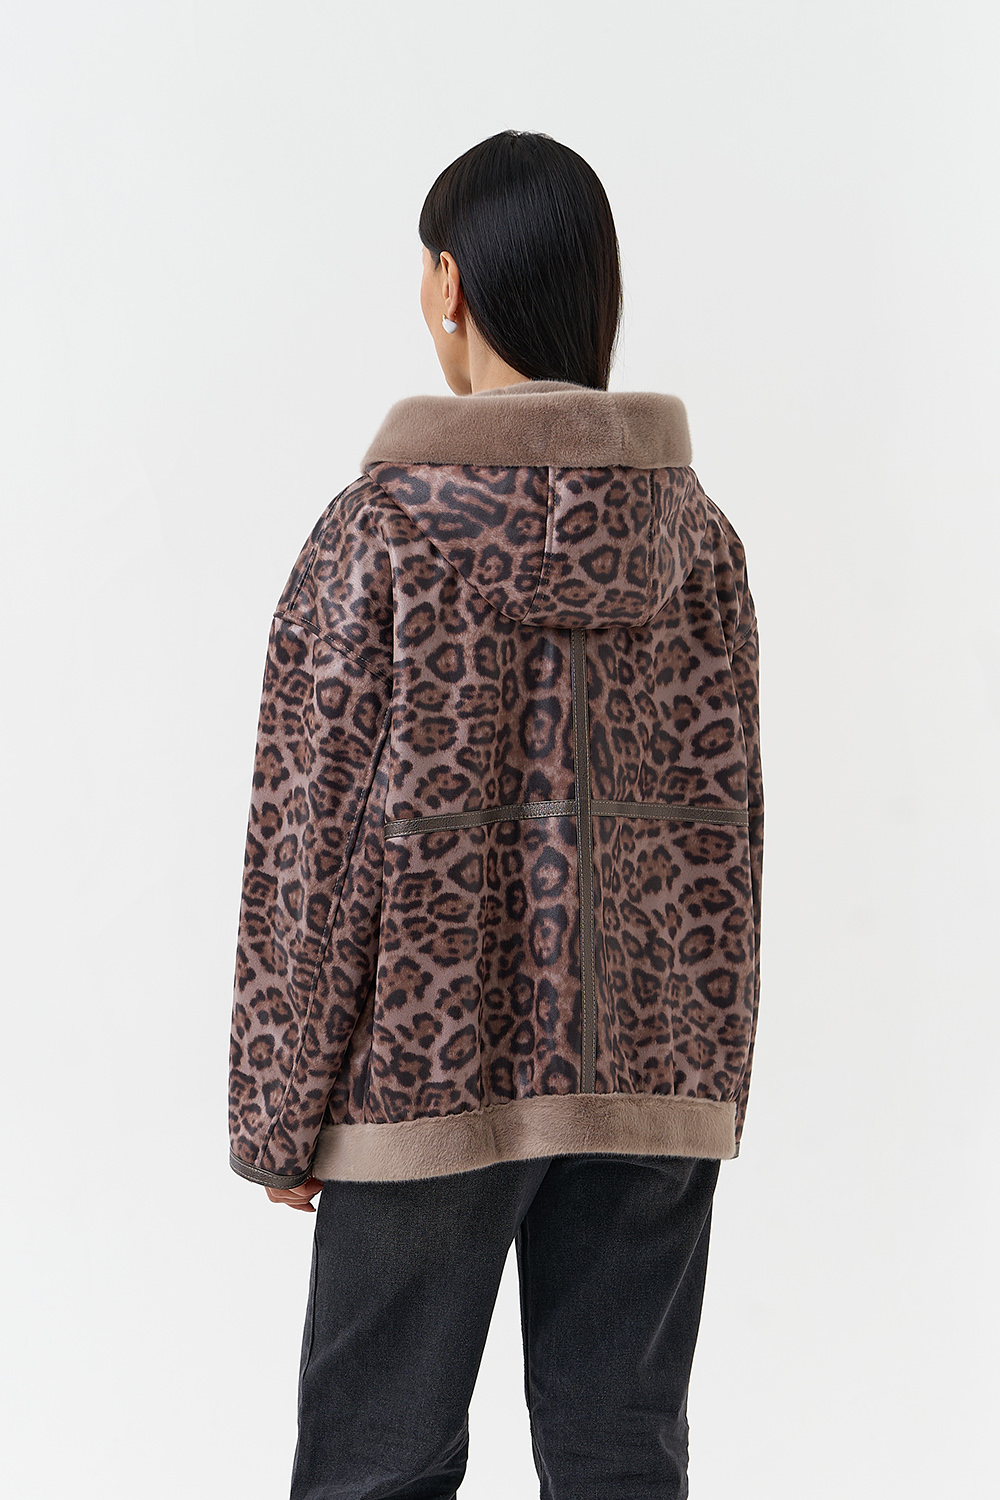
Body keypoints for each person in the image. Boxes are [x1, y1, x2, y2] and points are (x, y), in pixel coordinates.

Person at [228, 129, 763, 1500]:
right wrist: (707, 1083)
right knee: (621, 1460)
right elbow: (729, 841)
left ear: (451, 283)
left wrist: (282, 1110)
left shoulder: (382, 533)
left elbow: (311, 839)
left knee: (373, 1467)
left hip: (423, 1083)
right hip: (650, 1077)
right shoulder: (699, 540)